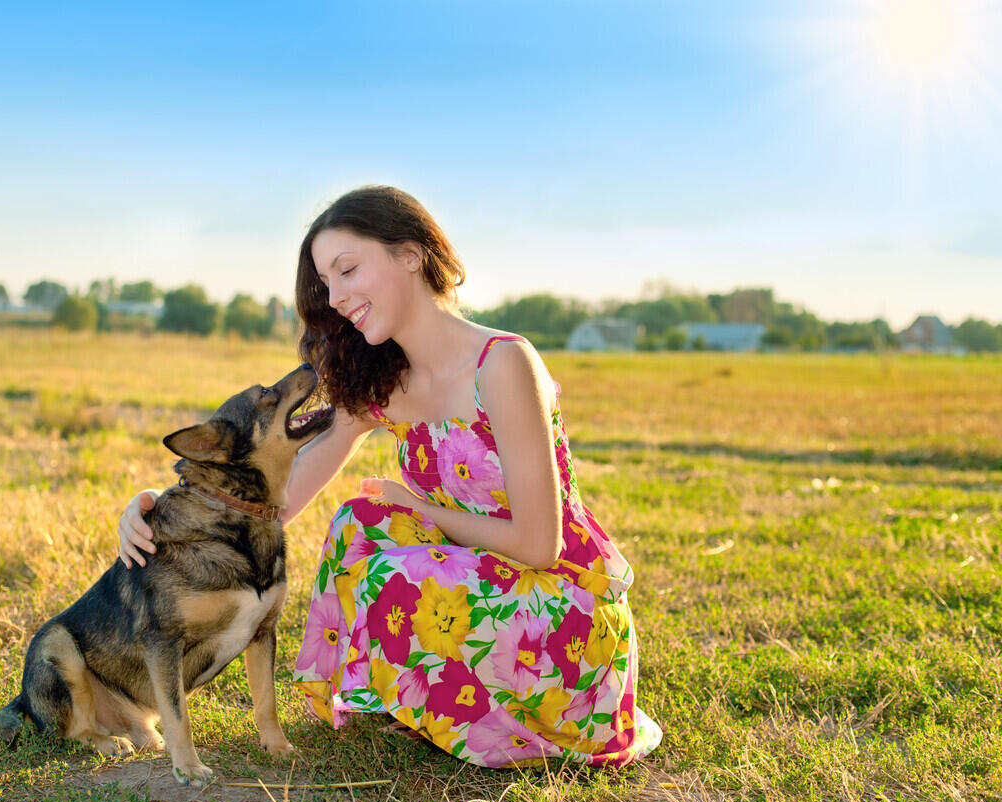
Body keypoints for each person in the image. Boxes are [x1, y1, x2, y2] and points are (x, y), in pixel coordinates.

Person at [119, 186, 661, 768]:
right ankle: (423, 697)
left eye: (348, 270)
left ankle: (492, 708)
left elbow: (537, 544)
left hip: (563, 610)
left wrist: (421, 508)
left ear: (411, 254)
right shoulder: (384, 385)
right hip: (474, 589)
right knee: (361, 523)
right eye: (327, 284)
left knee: (395, 573)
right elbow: (280, 498)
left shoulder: (503, 362)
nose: (338, 297)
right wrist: (165, 505)